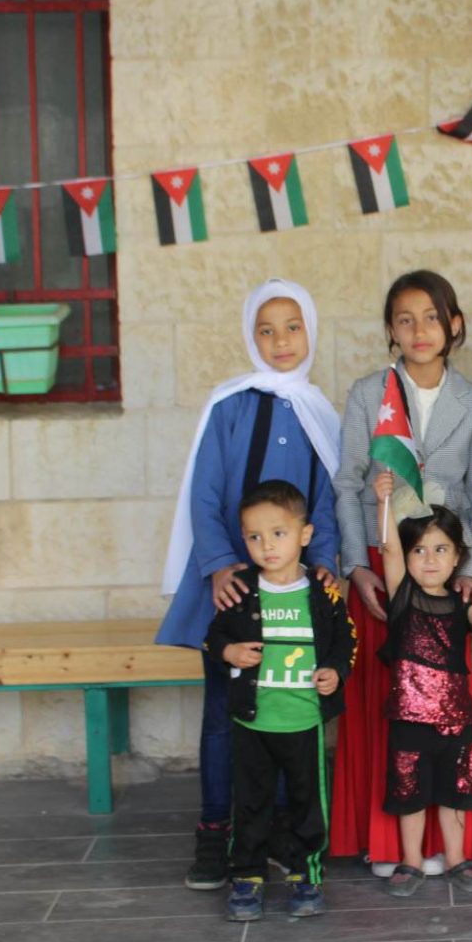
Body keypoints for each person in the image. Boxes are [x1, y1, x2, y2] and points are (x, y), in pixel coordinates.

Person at [155, 279, 343, 892]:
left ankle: (282, 835)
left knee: (289, 709)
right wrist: (219, 566)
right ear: (250, 337)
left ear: (310, 331)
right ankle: (217, 832)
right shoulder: (229, 406)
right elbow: (204, 493)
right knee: (224, 713)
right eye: (266, 330)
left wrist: (323, 563)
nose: (280, 341)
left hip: (294, 592)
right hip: (235, 589)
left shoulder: (320, 413)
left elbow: (326, 501)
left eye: (293, 326)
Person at [330, 271, 472, 875]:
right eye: (405, 319)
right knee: (386, 704)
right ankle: (385, 844)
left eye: (431, 317)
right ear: (390, 330)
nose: (419, 330)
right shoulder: (368, 393)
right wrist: (356, 567)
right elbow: (347, 484)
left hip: (444, 574)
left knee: (446, 709)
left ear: (454, 325)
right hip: (385, 568)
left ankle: (448, 847)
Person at [203, 480, 357, 921]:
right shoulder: (240, 590)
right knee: (251, 803)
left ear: (305, 535)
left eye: (278, 533)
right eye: (254, 536)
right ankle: (246, 876)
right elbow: (213, 638)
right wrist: (229, 652)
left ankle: (306, 874)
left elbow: (345, 639)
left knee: (308, 803)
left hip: (303, 721)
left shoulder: (323, 591)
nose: (267, 546)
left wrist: (335, 672)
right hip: (253, 722)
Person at [373, 471, 472, 897]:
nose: (429, 559)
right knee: (409, 793)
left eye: (440, 549)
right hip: (409, 722)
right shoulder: (403, 597)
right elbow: (388, 549)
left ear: (457, 559)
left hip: (457, 723)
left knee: (457, 793)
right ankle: (411, 861)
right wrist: (383, 503)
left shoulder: (459, 604)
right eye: (419, 550)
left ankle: (456, 859)